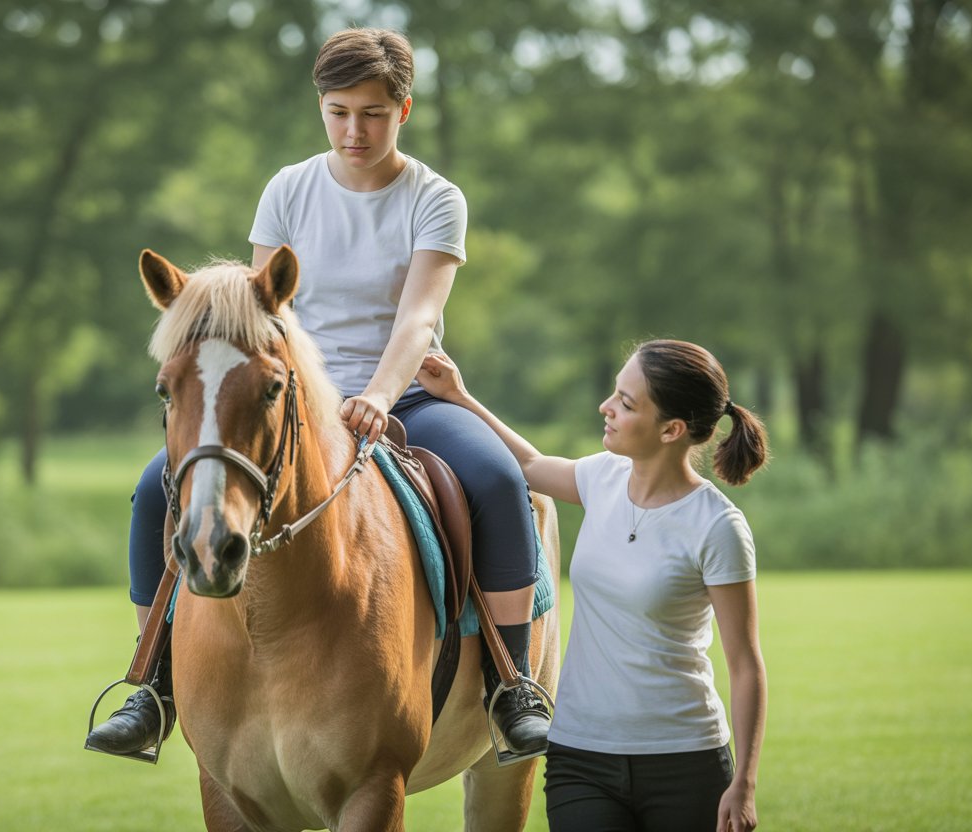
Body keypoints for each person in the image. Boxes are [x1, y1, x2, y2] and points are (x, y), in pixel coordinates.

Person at [85, 27, 551, 759]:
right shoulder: (288, 189)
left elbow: (419, 316)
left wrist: (377, 393)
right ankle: (152, 687)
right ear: (322, 108)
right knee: (155, 489)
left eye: (370, 113)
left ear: (403, 109)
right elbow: (261, 311)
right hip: (293, 405)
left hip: (407, 396)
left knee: (495, 478)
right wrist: (302, 396)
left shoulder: (434, 198)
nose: (352, 130)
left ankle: (511, 682)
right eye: (338, 112)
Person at [415, 340, 769, 832]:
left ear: (672, 430)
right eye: (614, 393)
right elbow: (529, 466)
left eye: (626, 403)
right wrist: (460, 396)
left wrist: (745, 784)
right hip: (580, 758)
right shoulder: (603, 477)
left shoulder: (717, 527)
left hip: (683, 761)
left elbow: (746, 665)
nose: (606, 407)